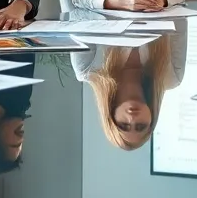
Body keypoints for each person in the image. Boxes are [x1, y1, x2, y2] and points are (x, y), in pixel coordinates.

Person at [74, 22, 188, 150]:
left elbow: (75, 12)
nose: (132, 118)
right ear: (152, 119)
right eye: (140, 126)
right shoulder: (171, 75)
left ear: (111, 116)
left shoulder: (89, 70)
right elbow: (180, 19)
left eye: (123, 124)